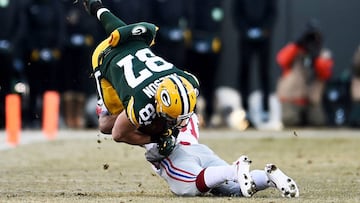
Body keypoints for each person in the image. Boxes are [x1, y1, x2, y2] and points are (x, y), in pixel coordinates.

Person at [82, 0, 199, 156]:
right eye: (172, 118)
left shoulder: (190, 82)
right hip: (106, 59)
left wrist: (96, 6)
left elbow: (118, 29)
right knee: (105, 126)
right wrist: (157, 138)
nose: (176, 123)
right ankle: (103, 106)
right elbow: (118, 134)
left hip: (135, 47)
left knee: (122, 34)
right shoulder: (143, 104)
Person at [145, 115, 299, 197]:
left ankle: (233, 170)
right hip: (200, 149)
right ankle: (269, 177)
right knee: (236, 188)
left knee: (188, 187)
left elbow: (121, 134)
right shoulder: (186, 107)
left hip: (177, 155)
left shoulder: (150, 110)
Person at [276, 20, 333, 127]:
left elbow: (325, 74)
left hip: (312, 99)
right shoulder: (294, 50)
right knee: (290, 121)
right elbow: (281, 60)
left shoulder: (323, 53)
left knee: (318, 122)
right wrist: (298, 44)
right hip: (292, 98)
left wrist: (316, 56)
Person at [231, 0, 278, 128]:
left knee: (264, 72)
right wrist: (246, 30)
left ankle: (265, 110)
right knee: (244, 72)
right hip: (245, 38)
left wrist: (264, 30)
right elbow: (236, 13)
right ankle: (245, 110)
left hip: (264, 38)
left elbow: (272, 13)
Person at [23, 0, 66, 128]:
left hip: (53, 53)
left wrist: (56, 50)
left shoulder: (56, 5)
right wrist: (34, 50)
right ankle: (32, 119)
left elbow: (61, 28)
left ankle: (50, 119)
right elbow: (26, 29)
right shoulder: (30, 5)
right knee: (33, 89)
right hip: (34, 55)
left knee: (52, 88)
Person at [184, 0, 224, 127]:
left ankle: (210, 114)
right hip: (192, 46)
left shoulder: (216, 4)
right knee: (191, 81)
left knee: (210, 82)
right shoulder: (191, 4)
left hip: (210, 45)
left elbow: (218, 20)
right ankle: (192, 115)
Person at [60, 0, 99, 129]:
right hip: (66, 50)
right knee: (67, 83)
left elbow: (93, 23)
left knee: (82, 83)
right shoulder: (63, 4)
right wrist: (66, 39)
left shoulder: (85, 5)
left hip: (84, 51)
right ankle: (68, 117)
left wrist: (85, 38)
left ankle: (79, 116)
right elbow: (59, 23)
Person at [0, 0, 28, 128]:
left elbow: (21, 26)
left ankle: (11, 119)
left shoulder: (17, 4)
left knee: (13, 87)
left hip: (12, 53)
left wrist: (12, 44)